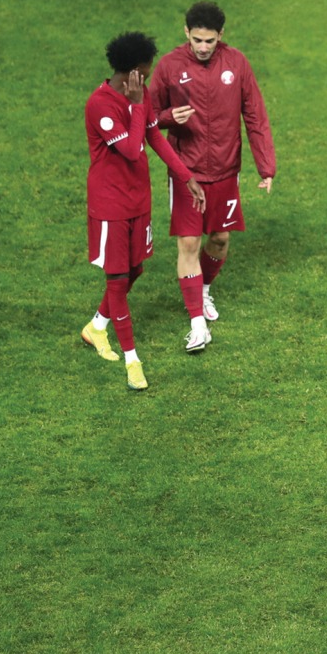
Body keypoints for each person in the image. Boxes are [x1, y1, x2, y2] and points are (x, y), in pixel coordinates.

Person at [81, 31, 206, 390]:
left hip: (138, 202)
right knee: (118, 279)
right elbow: (133, 150)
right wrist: (137, 106)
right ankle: (132, 360)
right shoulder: (100, 105)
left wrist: (186, 178)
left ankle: (96, 326)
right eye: (145, 74)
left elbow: (153, 138)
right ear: (133, 72)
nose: (148, 79)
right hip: (110, 207)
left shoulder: (141, 97)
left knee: (135, 270)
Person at [151, 1, 276, 350]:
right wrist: (168, 117)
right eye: (197, 40)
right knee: (189, 242)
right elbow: (146, 115)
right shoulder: (170, 66)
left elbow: (255, 115)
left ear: (221, 35)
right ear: (186, 33)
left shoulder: (236, 63)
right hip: (186, 171)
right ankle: (197, 325)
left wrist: (266, 167)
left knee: (219, 239)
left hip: (225, 170)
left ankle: (203, 290)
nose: (203, 48)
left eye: (209, 41)